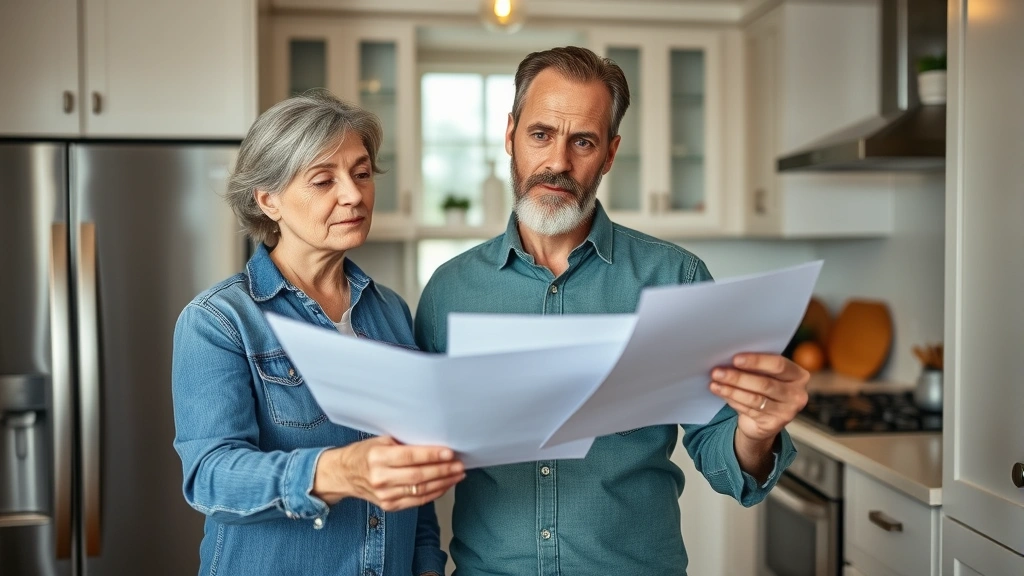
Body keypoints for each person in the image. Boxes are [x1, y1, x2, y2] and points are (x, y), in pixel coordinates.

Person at [414, 47, 810, 574]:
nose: (558, 161)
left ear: (610, 153)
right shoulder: (450, 291)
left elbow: (724, 462)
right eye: (540, 135)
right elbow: (413, 455)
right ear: (509, 135)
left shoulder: (676, 281)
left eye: (583, 141)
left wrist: (755, 434)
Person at [172, 90, 463, 576]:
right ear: (268, 201)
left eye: (362, 173)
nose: (353, 194)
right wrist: (339, 471)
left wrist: (428, 564)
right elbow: (210, 478)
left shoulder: (391, 312)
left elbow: (410, 475)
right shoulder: (220, 320)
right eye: (323, 180)